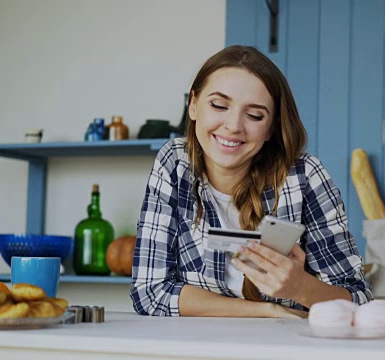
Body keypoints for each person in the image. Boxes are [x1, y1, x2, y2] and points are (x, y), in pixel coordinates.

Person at [130, 45, 372, 318]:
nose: (233, 125)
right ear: (193, 105)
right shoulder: (175, 162)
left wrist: (301, 287)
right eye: (219, 105)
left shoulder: (305, 177)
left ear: (271, 127)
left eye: (255, 115)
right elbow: (150, 292)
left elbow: (359, 301)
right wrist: (268, 310)